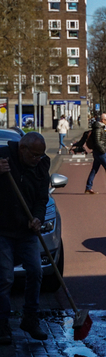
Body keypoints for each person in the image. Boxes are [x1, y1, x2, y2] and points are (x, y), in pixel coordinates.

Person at [0, 132, 51, 344]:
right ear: (23, 149)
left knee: (36, 271)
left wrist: (38, 218)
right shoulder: (3, 156)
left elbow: (41, 197)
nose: (38, 159)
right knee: (4, 278)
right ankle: (2, 324)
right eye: (34, 155)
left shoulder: (42, 164)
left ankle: (30, 318)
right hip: (2, 229)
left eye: (41, 155)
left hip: (27, 230)